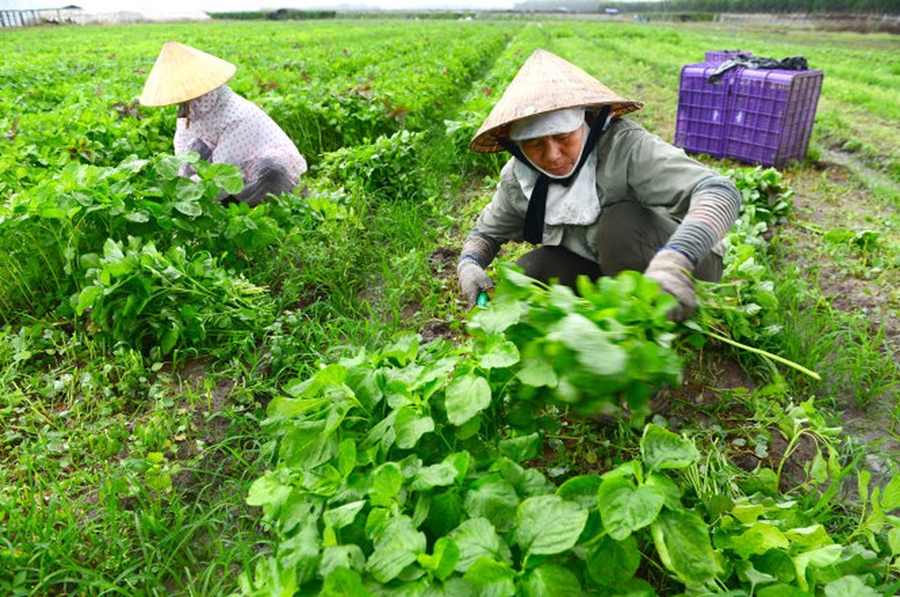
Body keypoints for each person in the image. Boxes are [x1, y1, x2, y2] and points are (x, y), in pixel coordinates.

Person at [457, 49, 741, 322]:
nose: (553, 155)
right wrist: (469, 264)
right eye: (535, 145)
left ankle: (647, 320)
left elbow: (719, 193)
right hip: (603, 263)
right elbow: (486, 234)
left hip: (680, 264)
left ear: (586, 124)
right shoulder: (519, 180)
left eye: (564, 137)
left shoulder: (625, 147)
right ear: (516, 146)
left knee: (619, 225)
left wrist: (677, 259)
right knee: (530, 273)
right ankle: (615, 313)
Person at [140, 41, 307, 207]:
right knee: (194, 148)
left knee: (271, 170)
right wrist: (178, 187)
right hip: (230, 169)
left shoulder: (237, 116)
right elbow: (183, 151)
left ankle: (255, 205)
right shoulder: (190, 110)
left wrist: (189, 196)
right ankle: (226, 200)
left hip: (260, 171)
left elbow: (223, 172)